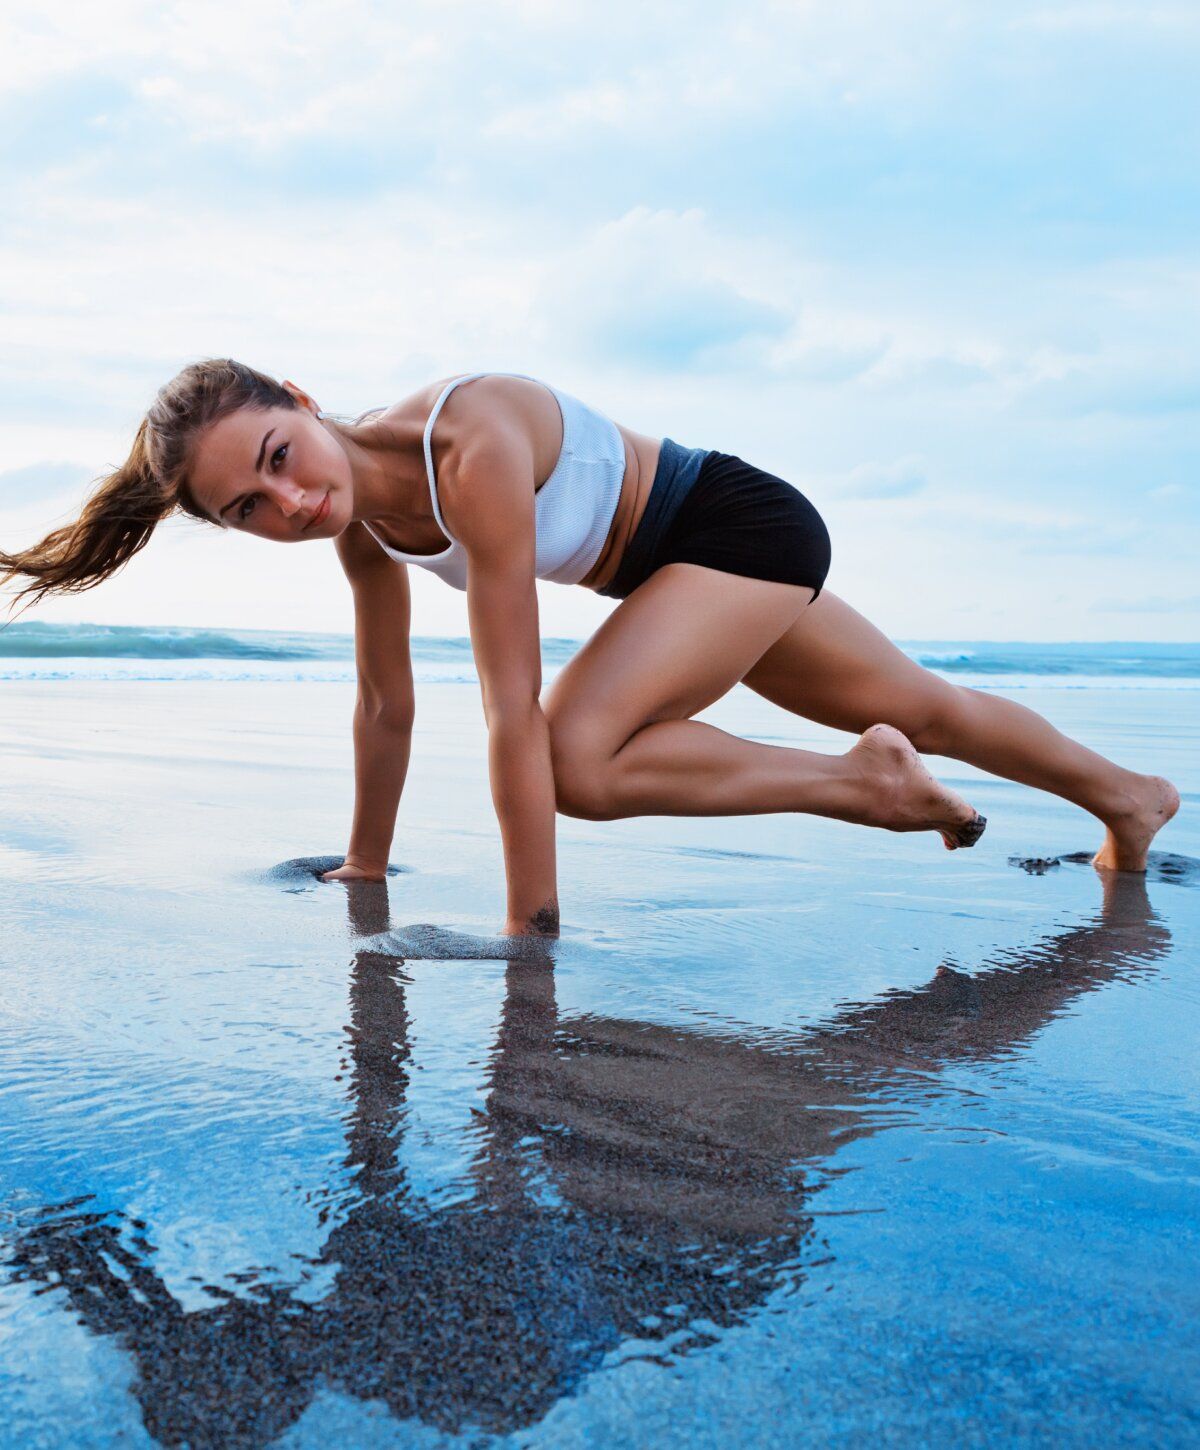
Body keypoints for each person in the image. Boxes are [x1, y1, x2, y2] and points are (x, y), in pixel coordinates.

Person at [0, 360, 1179, 937]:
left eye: (275, 456)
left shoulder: (470, 440)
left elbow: (512, 710)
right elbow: (383, 705)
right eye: (247, 510)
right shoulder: (358, 529)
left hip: (735, 528)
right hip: (683, 572)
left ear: (302, 401)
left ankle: (864, 784)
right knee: (925, 703)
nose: (289, 501)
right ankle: (1128, 798)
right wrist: (366, 866)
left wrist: (531, 930)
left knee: (571, 755)